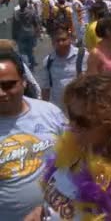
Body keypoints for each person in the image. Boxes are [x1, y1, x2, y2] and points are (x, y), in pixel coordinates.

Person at [27, 74, 111, 221]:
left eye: (83, 121)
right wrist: (40, 212)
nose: (73, 125)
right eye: (71, 115)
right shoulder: (75, 151)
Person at [0, 50, 66, 220]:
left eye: (8, 85)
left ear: (24, 82)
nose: (1, 93)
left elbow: (77, 159)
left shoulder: (50, 112)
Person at [39, 26, 88, 109]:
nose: (61, 43)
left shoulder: (83, 56)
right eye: (57, 41)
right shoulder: (48, 61)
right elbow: (45, 88)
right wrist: (44, 108)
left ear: (70, 39)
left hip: (80, 107)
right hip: (58, 108)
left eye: (63, 39)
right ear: (52, 42)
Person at [12, 0, 40, 68]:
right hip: (30, 34)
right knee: (30, 50)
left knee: (22, 52)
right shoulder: (31, 12)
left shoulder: (15, 13)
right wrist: (38, 34)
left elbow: (14, 26)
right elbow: (36, 24)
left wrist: (14, 37)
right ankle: (32, 63)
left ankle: (26, 66)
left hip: (21, 35)